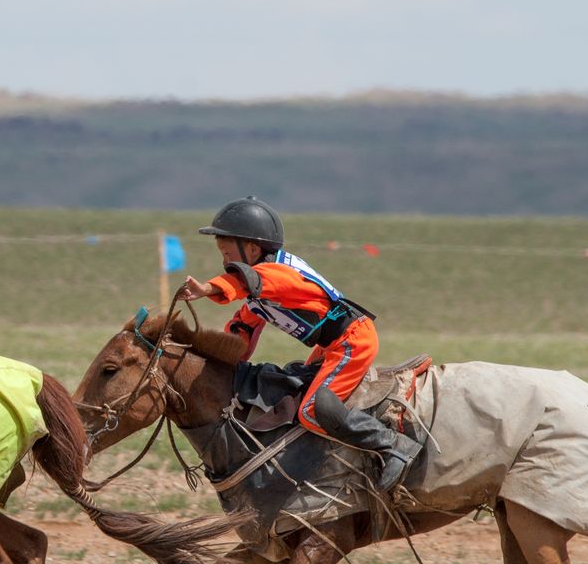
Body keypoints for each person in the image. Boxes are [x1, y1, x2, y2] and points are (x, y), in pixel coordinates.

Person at [175, 197, 421, 492]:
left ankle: (393, 446)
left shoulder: (280, 274)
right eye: (222, 254)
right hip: (328, 348)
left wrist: (207, 288)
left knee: (312, 410)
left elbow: (247, 280)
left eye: (227, 253)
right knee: (296, 388)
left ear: (252, 249)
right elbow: (239, 335)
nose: (224, 261)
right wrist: (208, 364)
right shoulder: (258, 295)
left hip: (353, 341)